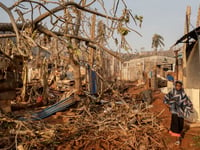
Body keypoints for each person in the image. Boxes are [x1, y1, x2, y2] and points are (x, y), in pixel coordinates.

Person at [163, 80, 193, 145]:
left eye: (179, 86)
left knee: (180, 124)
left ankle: (178, 134)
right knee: (175, 123)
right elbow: (166, 98)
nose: (178, 87)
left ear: (181, 86)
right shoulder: (172, 92)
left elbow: (187, 101)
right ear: (175, 86)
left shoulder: (183, 93)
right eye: (177, 86)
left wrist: (189, 106)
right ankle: (177, 139)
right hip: (174, 111)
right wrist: (168, 105)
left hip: (181, 112)